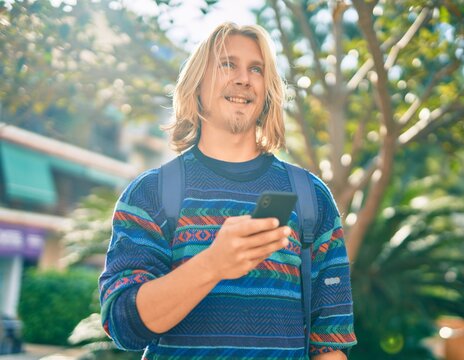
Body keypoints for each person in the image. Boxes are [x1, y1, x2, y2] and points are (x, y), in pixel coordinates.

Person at [99, 22, 357, 359]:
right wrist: (213, 265)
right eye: (227, 64)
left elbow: (330, 342)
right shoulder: (151, 193)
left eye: (256, 69)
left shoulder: (311, 197)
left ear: (267, 91)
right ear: (197, 84)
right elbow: (123, 325)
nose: (243, 78)